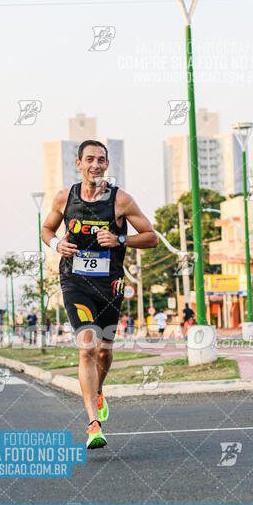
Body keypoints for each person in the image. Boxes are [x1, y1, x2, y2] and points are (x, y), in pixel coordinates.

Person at [41, 139, 158, 449]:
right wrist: (56, 245)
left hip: (110, 285)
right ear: (78, 164)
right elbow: (47, 229)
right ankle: (94, 423)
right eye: (89, 158)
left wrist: (120, 238)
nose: (95, 164)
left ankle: (99, 391)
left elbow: (151, 238)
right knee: (87, 347)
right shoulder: (64, 198)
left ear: (107, 165)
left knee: (104, 351)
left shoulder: (121, 201)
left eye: (101, 160)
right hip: (75, 281)